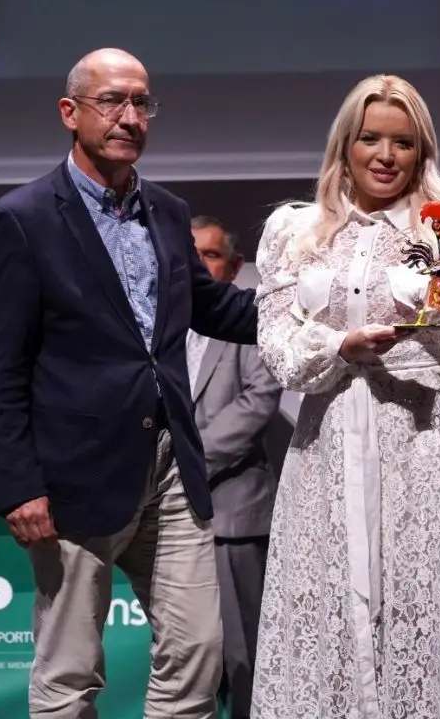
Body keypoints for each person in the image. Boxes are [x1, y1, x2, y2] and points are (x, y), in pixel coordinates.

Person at [0, 47, 258, 719]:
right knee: (69, 672)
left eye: (141, 102)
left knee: (198, 653)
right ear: (70, 113)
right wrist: (17, 485)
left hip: (172, 469)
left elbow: (216, 308)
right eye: (112, 101)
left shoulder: (168, 211)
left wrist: (326, 310)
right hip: (74, 476)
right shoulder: (22, 218)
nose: (129, 116)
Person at [249, 74, 440, 718]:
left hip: (432, 448)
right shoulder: (297, 232)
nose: (386, 156)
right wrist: (342, 346)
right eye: (371, 139)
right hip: (329, 447)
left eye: (403, 142)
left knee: (426, 608)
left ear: (423, 151)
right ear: (346, 144)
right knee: (331, 610)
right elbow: (278, 349)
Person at [186, 215, 284, 719]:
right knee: (183, 655)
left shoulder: (251, 320)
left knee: (243, 656)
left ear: (234, 265)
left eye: (210, 254)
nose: (198, 264)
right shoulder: (155, 326)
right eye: (190, 254)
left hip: (232, 515)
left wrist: (183, 463)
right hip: (168, 518)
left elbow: (258, 400)